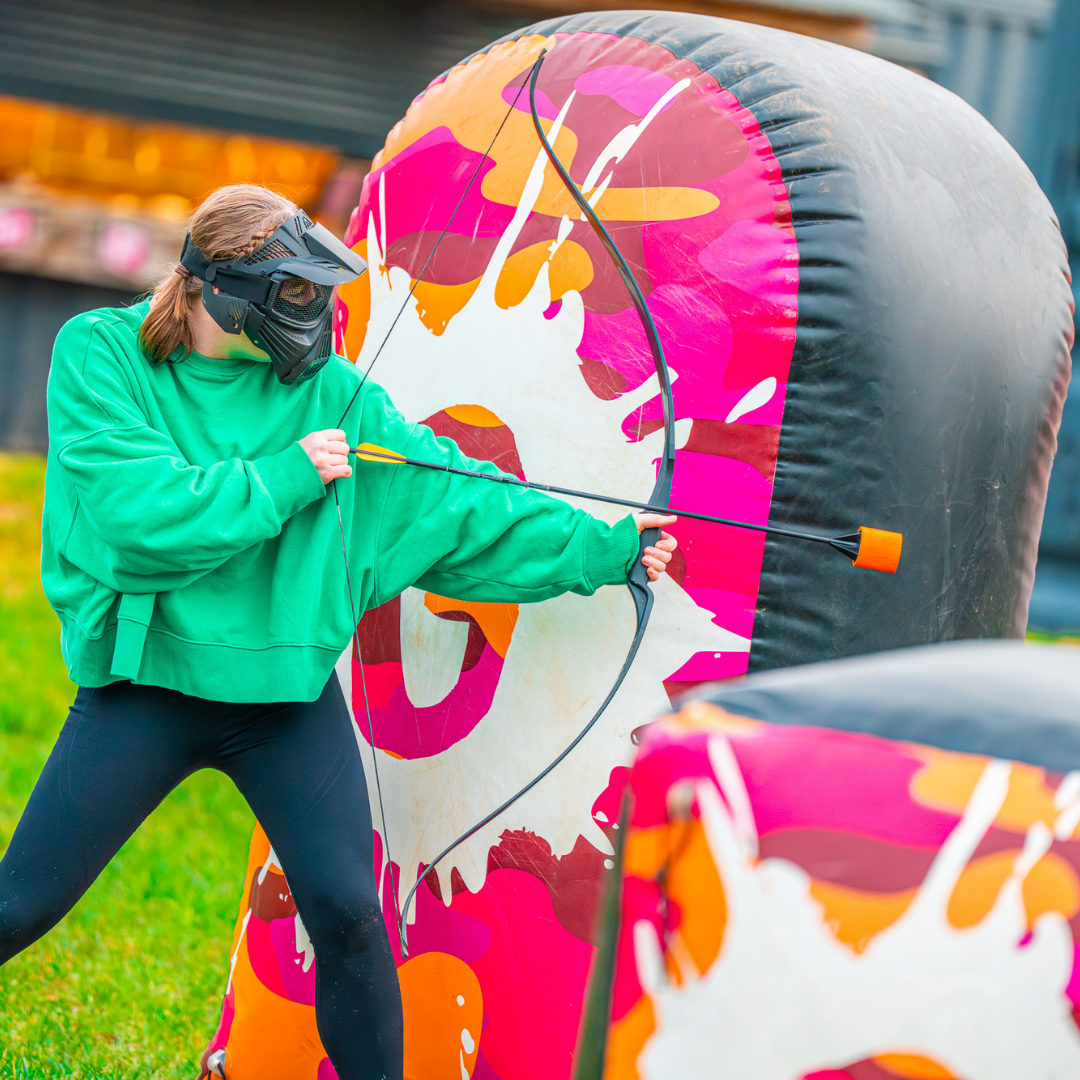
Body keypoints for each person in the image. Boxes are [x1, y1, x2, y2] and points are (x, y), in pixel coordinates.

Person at [0, 184, 677, 1080]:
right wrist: (287, 477)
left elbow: (458, 503)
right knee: (20, 904)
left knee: (353, 920)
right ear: (214, 289)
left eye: (320, 294)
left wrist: (605, 548)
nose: (314, 317)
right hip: (145, 690)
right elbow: (137, 516)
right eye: (294, 296)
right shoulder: (101, 356)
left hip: (281, 704)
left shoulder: (336, 397)